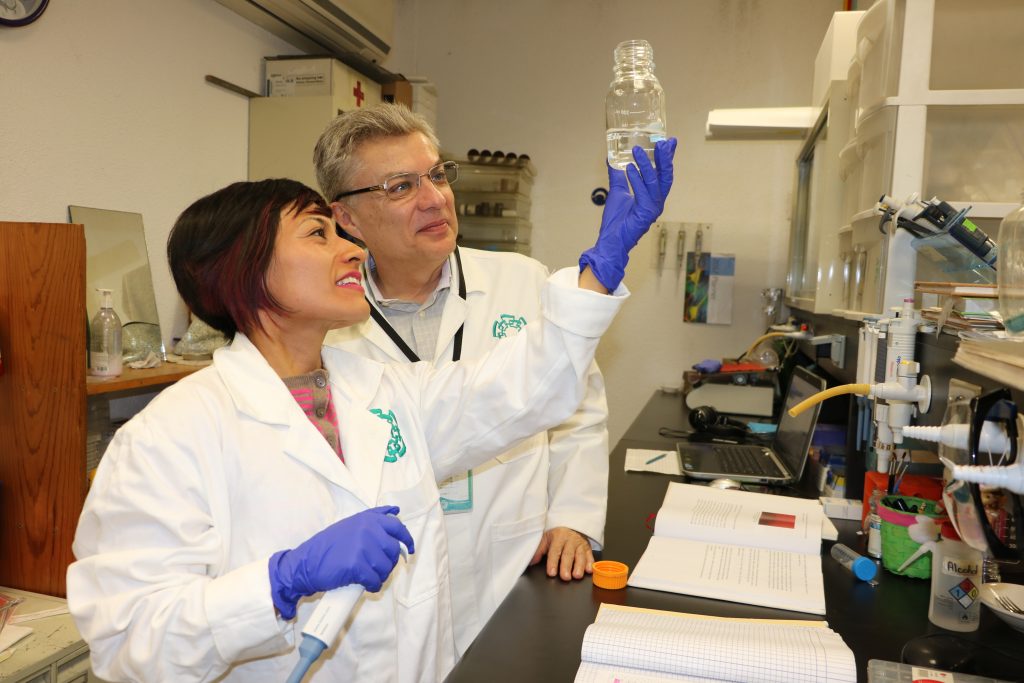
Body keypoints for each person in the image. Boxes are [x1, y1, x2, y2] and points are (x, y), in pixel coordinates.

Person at [66, 134, 674, 683]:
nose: (353, 251)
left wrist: (601, 268)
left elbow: (525, 386)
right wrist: (278, 582)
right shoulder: (166, 438)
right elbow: (127, 639)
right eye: (319, 234)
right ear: (244, 274)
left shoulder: (385, 391)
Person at [312, 103, 655, 653]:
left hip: (518, 566)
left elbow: (579, 410)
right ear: (348, 219)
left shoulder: (523, 280)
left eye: (437, 175)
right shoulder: (327, 330)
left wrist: (572, 517)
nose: (435, 198)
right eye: (401, 186)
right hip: (390, 596)